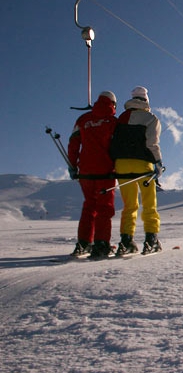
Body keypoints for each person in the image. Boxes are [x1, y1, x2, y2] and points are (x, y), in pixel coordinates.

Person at [110, 86, 164, 256]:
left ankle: (126, 240)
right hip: (143, 165)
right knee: (149, 204)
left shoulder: (120, 119)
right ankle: (151, 239)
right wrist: (158, 163)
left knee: (129, 205)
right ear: (146, 101)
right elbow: (152, 144)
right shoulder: (151, 118)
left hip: (122, 166)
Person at [67, 91, 118, 259]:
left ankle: (83, 243)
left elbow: (73, 143)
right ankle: (101, 244)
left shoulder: (83, 120)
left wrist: (72, 165)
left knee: (89, 206)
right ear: (113, 104)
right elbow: (120, 146)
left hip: (86, 172)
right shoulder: (113, 121)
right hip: (106, 172)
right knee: (104, 208)